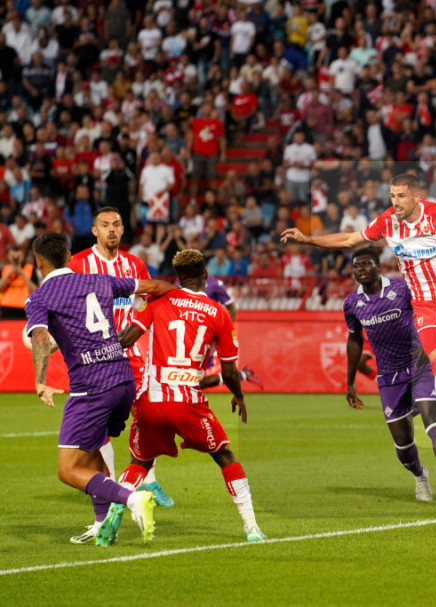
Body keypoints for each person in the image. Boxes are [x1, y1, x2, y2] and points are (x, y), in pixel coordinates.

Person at [280, 173, 436, 448]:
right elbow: (350, 239)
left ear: (416, 197)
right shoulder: (387, 221)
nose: (395, 202)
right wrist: (307, 240)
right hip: (424, 303)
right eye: (392, 196)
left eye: (401, 196)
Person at [25, 233, 175, 546]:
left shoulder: (39, 298)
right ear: (69, 255)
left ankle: (132, 498)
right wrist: (188, 301)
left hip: (91, 387)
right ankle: (102, 522)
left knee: (68, 470)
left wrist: (40, 381)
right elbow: (156, 287)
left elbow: (39, 338)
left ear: (38, 263)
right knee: (93, 446)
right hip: (123, 378)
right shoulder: (100, 279)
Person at [113, 249, 266, 541]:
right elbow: (230, 371)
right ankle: (252, 528)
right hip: (187, 402)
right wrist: (239, 395)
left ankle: (114, 514)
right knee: (224, 455)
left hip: (151, 401)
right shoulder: (218, 313)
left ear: (178, 277)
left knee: (140, 462)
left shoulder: (158, 301)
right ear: (205, 275)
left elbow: (126, 339)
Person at [67, 207, 174, 544]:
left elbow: (148, 301)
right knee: (97, 435)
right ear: (94, 230)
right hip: (96, 359)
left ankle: (145, 478)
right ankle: (117, 496)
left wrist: (138, 327)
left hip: (133, 355)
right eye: (104, 225)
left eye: (116, 225)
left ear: (123, 229)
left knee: (148, 416)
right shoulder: (79, 264)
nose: (111, 230)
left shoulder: (134, 264)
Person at [344, 248, 436, 504]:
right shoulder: (352, 303)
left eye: (366, 264)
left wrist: (428, 342)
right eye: (356, 266)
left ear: (379, 267)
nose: (361, 269)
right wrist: (350, 381)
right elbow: (355, 340)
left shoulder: (402, 289)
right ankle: (420, 476)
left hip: (420, 366)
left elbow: (428, 310)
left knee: (433, 422)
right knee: (403, 443)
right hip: (389, 376)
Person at [0, 244, 38, 319]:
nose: (16, 259)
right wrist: (9, 273)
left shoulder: (30, 269)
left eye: (18, 256)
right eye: (13, 257)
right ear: (8, 256)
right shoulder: (4, 269)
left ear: (23, 256)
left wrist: (22, 273)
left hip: (24, 307)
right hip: (6, 307)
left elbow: (35, 290)